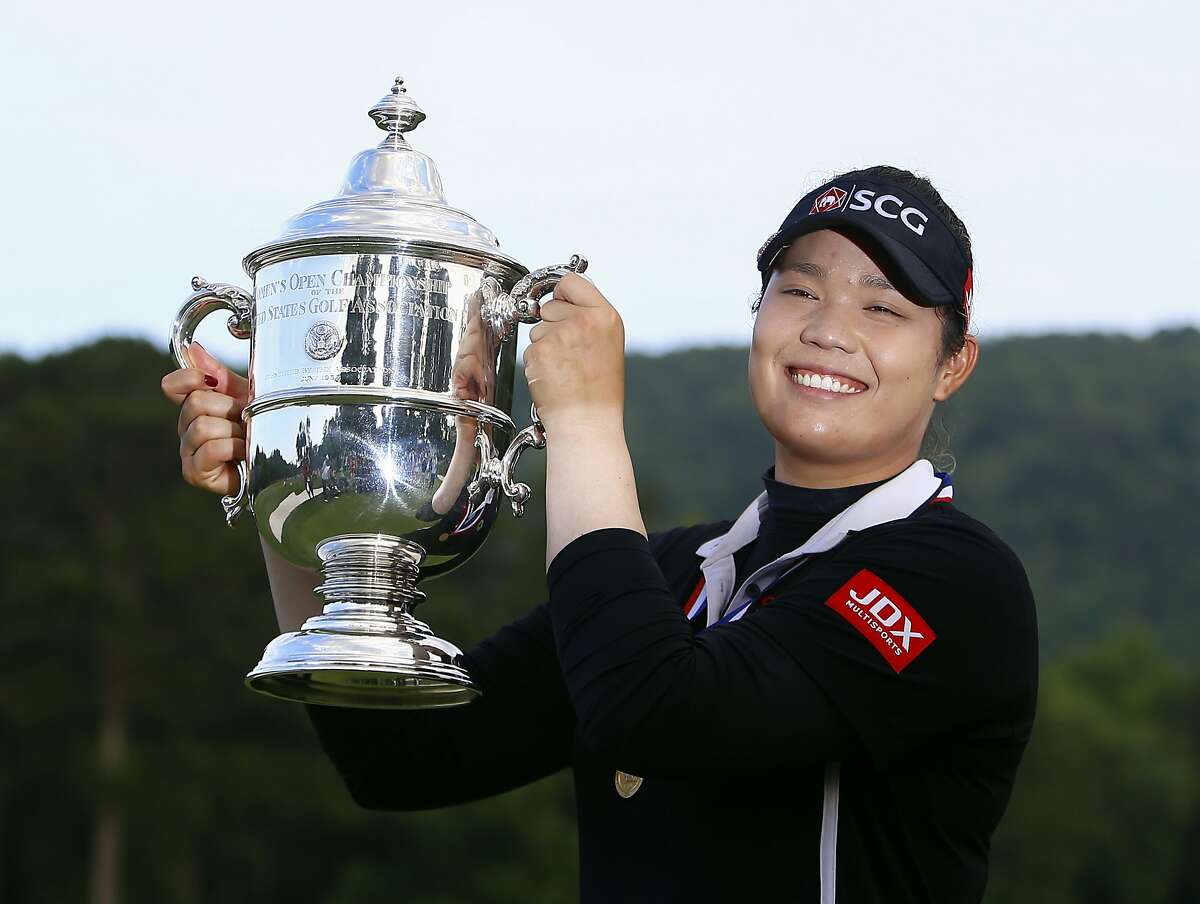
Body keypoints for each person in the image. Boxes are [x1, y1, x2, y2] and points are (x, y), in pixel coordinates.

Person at [162, 165, 1038, 903]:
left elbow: (658, 715)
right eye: (799, 289)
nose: (827, 328)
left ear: (952, 364)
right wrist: (298, 486)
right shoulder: (675, 573)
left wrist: (581, 419)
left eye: (882, 309)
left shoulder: (954, 581)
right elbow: (399, 762)